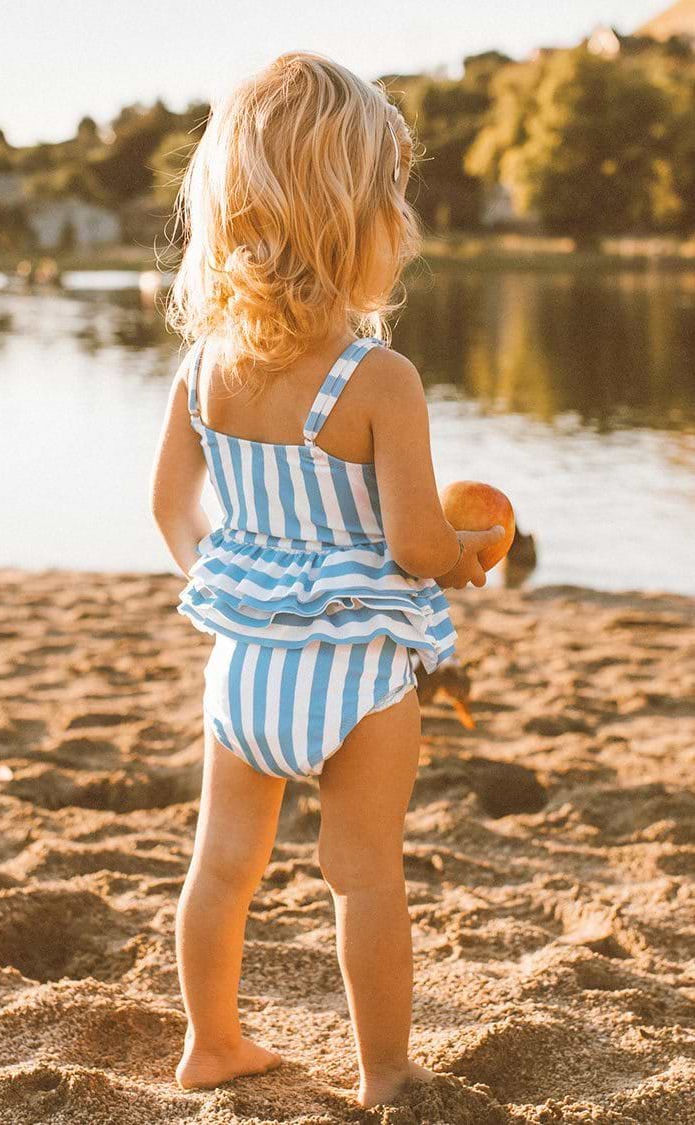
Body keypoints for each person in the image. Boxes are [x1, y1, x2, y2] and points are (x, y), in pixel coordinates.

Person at [149, 50, 503, 1110]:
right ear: (361, 219)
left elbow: (173, 508)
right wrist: (470, 560)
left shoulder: (204, 365)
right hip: (356, 676)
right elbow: (409, 545)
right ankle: (385, 1072)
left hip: (245, 668)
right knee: (363, 877)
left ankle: (211, 1044)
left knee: (222, 869)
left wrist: (233, 577)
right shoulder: (377, 380)